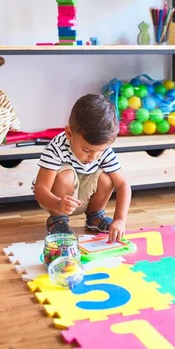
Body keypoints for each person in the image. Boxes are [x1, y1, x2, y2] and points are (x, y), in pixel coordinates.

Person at [33, 93, 131, 243]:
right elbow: (41, 189)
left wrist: (120, 220)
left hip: (85, 197)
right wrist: (58, 204)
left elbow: (123, 184)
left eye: (100, 151)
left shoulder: (102, 151)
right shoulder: (56, 147)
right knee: (66, 175)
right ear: (69, 133)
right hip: (58, 200)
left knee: (107, 178)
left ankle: (95, 217)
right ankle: (57, 220)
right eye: (86, 150)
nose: (93, 157)